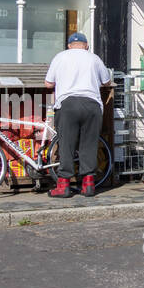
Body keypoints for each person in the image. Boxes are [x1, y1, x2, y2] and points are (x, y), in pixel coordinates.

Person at [44, 32, 111, 198]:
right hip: (92, 104)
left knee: (66, 145)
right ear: (86, 45)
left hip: (68, 104)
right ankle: (88, 185)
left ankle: (63, 186)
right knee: (89, 144)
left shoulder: (60, 57)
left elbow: (48, 83)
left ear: (69, 46)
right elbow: (107, 81)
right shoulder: (94, 58)